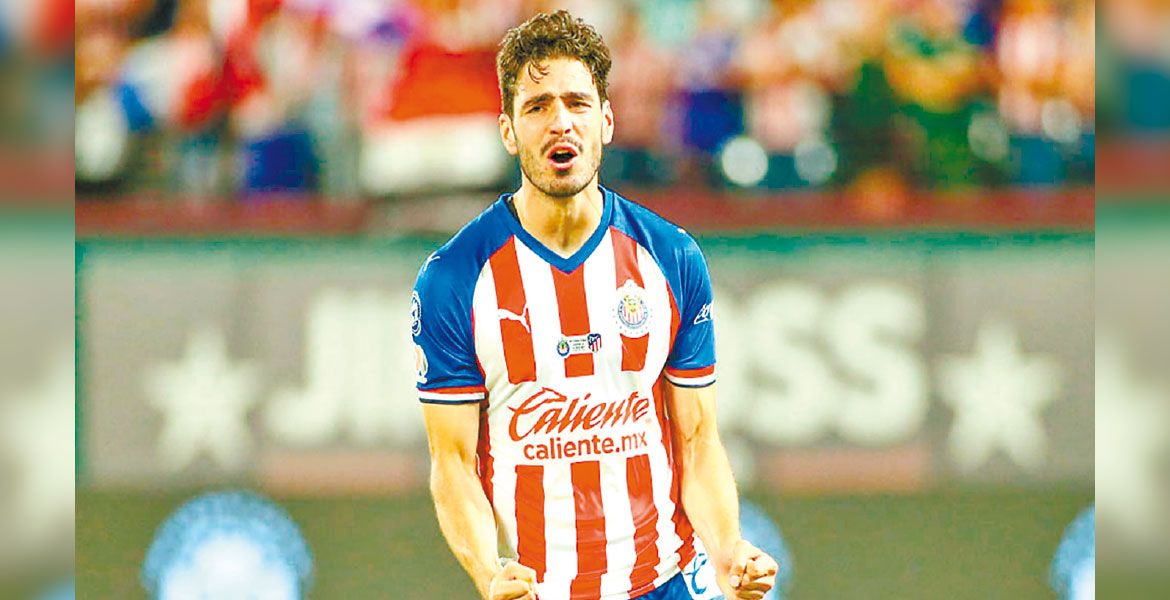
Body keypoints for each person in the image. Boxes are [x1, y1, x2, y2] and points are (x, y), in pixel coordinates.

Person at [413, 10, 778, 600]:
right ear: (508, 131)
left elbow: (697, 440)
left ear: (606, 121)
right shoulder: (454, 278)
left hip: (665, 582)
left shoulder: (671, 257)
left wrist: (728, 548)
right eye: (538, 106)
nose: (561, 122)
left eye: (577, 103)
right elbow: (451, 462)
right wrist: (488, 572)